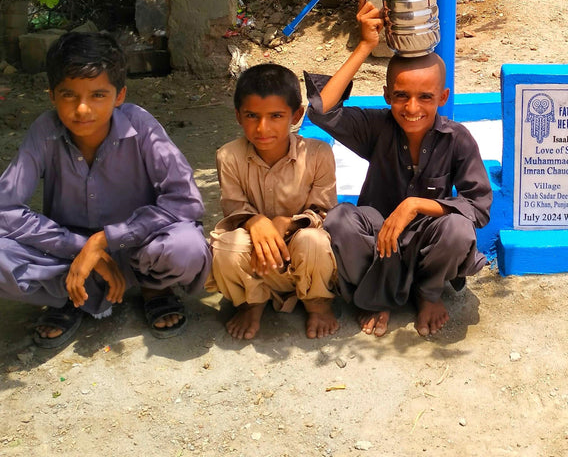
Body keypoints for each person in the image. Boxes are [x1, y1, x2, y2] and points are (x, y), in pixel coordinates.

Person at [0, 32, 209, 348]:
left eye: (98, 95)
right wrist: (80, 249)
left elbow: (185, 201)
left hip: (139, 251)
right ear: (52, 96)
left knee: (187, 245)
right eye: (69, 95)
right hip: (67, 258)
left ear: (120, 95)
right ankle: (69, 297)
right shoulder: (45, 130)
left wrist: (105, 240)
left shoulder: (141, 126)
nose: (82, 109)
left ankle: (155, 289)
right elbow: (5, 208)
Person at [304, 0, 491, 338]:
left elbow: (478, 207)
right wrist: (364, 46)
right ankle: (378, 297)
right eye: (401, 96)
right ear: (388, 95)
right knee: (340, 219)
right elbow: (321, 111)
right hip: (375, 237)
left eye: (426, 98)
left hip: (426, 241)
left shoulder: (457, 139)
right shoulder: (377, 127)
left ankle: (427, 294)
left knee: (458, 230)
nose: (412, 108)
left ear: (443, 98)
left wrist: (415, 205)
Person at [207, 63, 339, 340]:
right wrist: (255, 221)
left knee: (314, 240)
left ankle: (317, 303)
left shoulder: (317, 154)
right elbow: (233, 208)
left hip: (302, 254)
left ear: (296, 115)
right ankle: (251, 303)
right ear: (238, 116)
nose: (262, 128)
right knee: (227, 246)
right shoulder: (228, 156)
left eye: (276, 116)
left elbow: (323, 212)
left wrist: (286, 224)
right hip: (256, 255)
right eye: (252, 116)